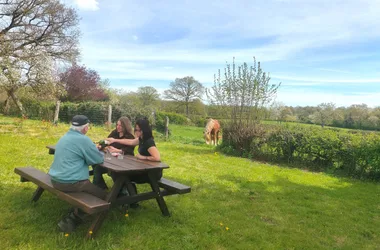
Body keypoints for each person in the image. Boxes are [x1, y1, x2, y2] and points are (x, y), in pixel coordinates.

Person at [48, 115, 107, 232]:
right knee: (103, 196)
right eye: (88, 127)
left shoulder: (65, 137)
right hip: (72, 182)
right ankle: (73, 218)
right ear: (85, 128)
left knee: (91, 191)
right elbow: (98, 160)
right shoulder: (84, 140)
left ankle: (75, 212)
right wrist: (96, 150)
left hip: (55, 180)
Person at [106, 118, 162, 183]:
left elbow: (157, 157)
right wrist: (115, 140)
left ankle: (125, 191)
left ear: (143, 130)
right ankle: (126, 190)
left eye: (137, 130)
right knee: (116, 173)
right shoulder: (141, 139)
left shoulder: (148, 142)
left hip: (152, 173)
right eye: (135, 129)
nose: (135, 131)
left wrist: (143, 157)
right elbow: (130, 142)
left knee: (121, 174)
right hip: (146, 168)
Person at [93, 117, 136, 190]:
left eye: (120, 125)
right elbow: (107, 141)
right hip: (112, 157)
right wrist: (101, 146)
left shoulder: (130, 136)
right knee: (97, 166)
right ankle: (99, 187)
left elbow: (130, 151)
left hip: (123, 159)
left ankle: (121, 190)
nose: (118, 127)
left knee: (113, 170)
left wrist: (119, 150)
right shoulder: (114, 133)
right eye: (117, 125)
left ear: (125, 126)